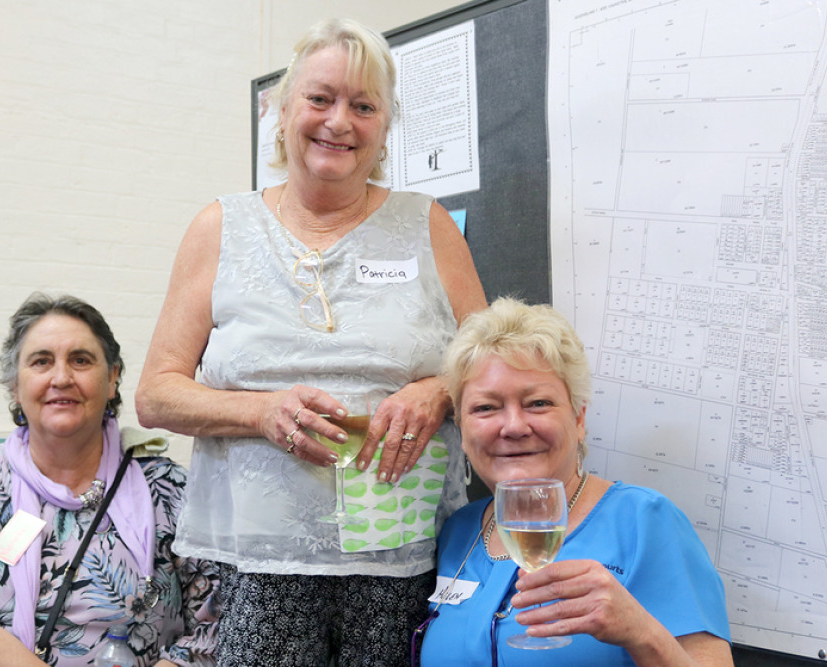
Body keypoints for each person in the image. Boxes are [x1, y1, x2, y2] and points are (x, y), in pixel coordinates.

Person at [135, 17, 486, 666]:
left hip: (400, 553)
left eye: (363, 105)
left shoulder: (428, 225)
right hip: (260, 560)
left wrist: (437, 389)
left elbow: (496, 369)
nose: (339, 121)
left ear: (384, 127)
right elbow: (156, 395)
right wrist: (259, 410)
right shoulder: (220, 228)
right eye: (320, 98)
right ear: (281, 110)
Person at [0, 293, 219, 667]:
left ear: (112, 379)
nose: (61, 377)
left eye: (81, 360)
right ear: (14, 387)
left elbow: (213, 630)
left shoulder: (169, 491)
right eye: (41, 362)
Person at [416, 296, 733, 665]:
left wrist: (640, 631)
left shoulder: (644, 521)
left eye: (537, 403)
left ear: (579, 420)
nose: (514, 426)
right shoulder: (459, 531)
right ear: (463, 428)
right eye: (485, 408)